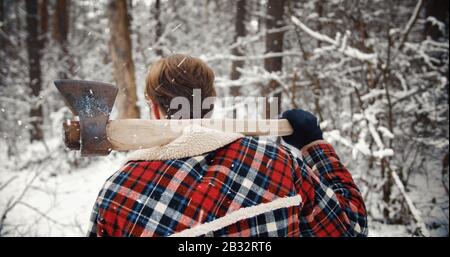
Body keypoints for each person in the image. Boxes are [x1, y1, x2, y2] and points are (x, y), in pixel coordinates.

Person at [87, 54, 368, 237]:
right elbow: (351, 229)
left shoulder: (118, 193)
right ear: (210, 103)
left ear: (154, 108)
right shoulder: (278, 163)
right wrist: (314, 145)